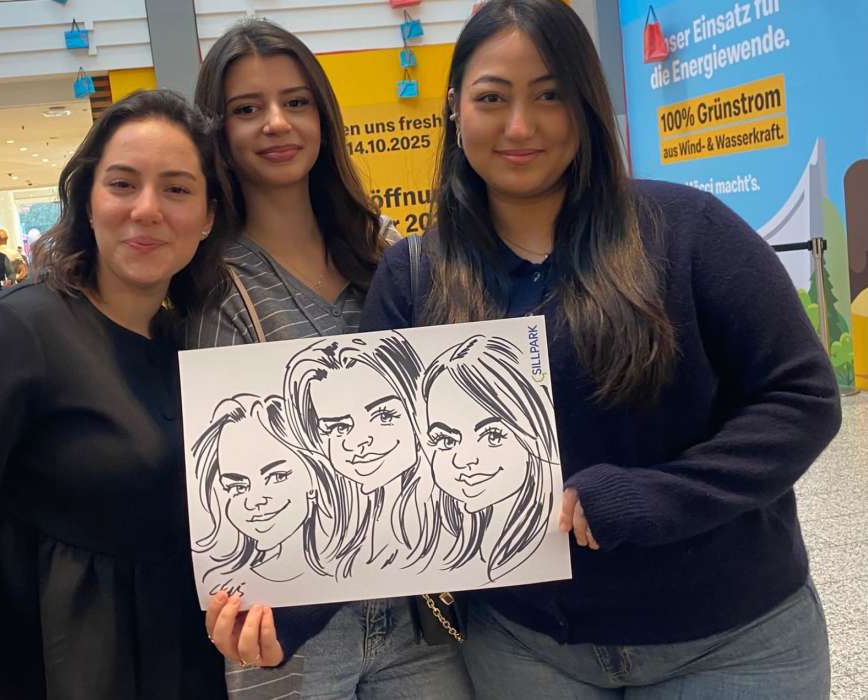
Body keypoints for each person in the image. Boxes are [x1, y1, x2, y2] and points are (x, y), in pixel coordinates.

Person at [360, 1, 841, 697]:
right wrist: (286, 606)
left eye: (550, 95)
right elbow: (376, 473)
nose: (519, 126)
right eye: (492, 98)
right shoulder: (414, 277)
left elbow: (802, 397)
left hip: (730, 639)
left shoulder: (687, 230)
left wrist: (655, 497)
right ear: (455, 108)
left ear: (586, 107)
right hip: (526, 647)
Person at [0, 89, 227, 699]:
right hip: (44, 670)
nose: (147, 209)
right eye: (122, 184)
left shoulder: (185, 342)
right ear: (87, 200)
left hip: (165, 661)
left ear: (208, 216)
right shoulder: (8, 337)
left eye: (178, 189)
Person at [189, 19, 472, 700]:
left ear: (323, 115)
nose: (276, 123)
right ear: (217, 131)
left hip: (418, 611)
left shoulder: (385, 252)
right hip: (288, 626)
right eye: (246, 109)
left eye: (296, 101)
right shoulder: (210, 281)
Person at [282, 333, 440, 572]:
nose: (358, 441)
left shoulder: (458, 516)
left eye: (383, 415)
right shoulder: (326, 536)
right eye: (338, 427)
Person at [421, 335, 555, 582]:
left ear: (535, 431)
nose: (464, 460)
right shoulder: (438, 546)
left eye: (493, 435)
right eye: (447, 440)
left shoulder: (544, 542)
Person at [192, 393, 357, 586]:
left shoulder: (363, 566)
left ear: (314, 474)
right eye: (237, 487)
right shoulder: (228, 584)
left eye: (277, 476)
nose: (253, 501)